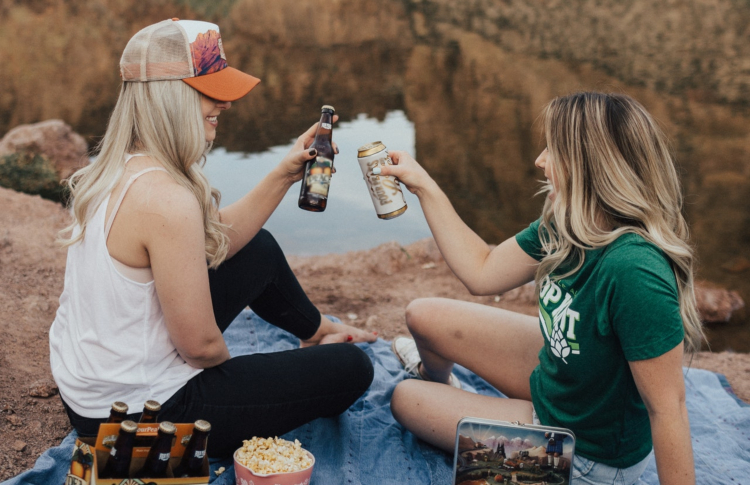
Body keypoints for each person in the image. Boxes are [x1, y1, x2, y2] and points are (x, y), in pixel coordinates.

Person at [49, 18, 375, 458]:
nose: (225, 103)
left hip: (95, 391)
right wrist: (246, 380)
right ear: (171, 97)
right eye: (211, 91)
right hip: (135, 422)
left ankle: (315, 331)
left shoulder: (119, 169)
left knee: (257, 247)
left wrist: (283, 174)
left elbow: (211, 240)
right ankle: (318, 349)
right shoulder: (165, 198)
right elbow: (201, 348)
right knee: (353, 368)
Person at [380, 92, 702, 484]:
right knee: (423, 315)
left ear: (589, 165)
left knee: (406, 399)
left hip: (582, 451)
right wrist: (422, 185)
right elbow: (481, 270)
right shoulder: (568, 225)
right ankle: (444, 384)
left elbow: (670, 408)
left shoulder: (635, 269)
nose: (540, 160)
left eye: (553, 149)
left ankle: (505, 435)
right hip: (565, 375)